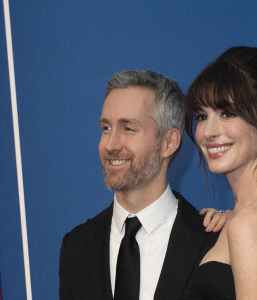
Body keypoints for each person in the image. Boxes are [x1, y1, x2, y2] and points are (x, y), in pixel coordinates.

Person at [59, 70, 227, 300]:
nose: (110, 144)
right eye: (106, 128)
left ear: (169, 142)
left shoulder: (215, 242)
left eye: (128, 128)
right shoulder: (76, 246)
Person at [185, 46, 257, 299]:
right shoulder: (244, 218)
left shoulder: (250, 222)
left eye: (227, 113)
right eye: (201, 116)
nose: (208, 131)